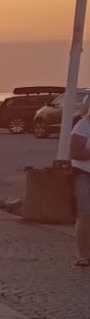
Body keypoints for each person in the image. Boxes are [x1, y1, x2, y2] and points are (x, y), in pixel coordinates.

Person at [73, 108, 90, 268]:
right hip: (85, 175)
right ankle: (83, 255)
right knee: (85, 216)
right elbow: (76, 152)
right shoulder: (83, 125)